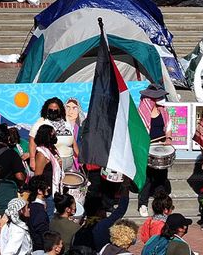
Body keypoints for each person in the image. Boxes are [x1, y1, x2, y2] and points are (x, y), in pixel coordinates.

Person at [137, 87, 172, 217]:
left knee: (161, 178)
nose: (162, 99)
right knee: (147, 179)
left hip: (161, 148)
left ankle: (161, 205)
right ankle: (143, 204)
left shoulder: (163, 110)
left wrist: (168, 138)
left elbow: (168, 126)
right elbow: (139, 131)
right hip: (147, 148)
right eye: (159, 96)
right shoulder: (143, 110)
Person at [73, 182, 129, 251]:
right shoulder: (103, 224)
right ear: (99, 211)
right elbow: (121, 209)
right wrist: (125, 186)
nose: (105, 212)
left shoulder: (81, 225)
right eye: (104, 210)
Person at [28, 99, 77, 171]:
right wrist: (32, 159)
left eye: (55, 110)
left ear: (60, 110)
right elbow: (32, 142)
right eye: (50, 110)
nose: (53, 112)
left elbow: (73, 142)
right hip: (51, 160)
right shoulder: (41, 122)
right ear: (46, 110)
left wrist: (79, 157)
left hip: (69, 161)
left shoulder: (66, 122)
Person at [29, 127, 62, 196]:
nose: (55, 135)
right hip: (48, 193)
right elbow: (37, 177)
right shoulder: (41, 154)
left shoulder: (52, 148)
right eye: (53, 133)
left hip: (56, 188)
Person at [25, 176, 51, 245]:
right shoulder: (38, 210)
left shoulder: (33, 205)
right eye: (46, 186)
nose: (49, 187)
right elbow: (42, 233)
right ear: (39, 191)